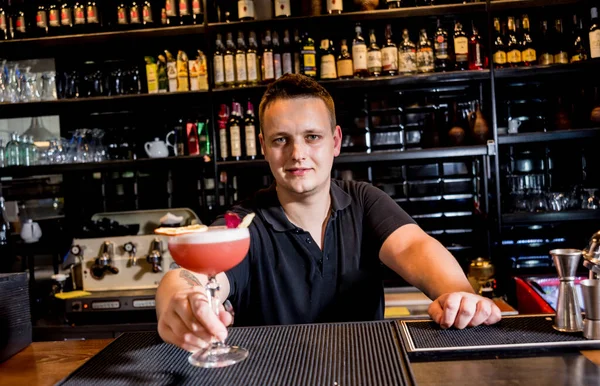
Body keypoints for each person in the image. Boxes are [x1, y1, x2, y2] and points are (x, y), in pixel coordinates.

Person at [156, 74, 501, 352]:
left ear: (335, 141)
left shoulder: (364, 201)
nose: (297, 153)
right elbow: (193, 274)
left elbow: (414, 247)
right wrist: (182, 300)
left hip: (367, 374)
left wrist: (459, 294)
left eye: (312, 137)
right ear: (263, 146)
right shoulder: (245, 222)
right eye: (281, 140)